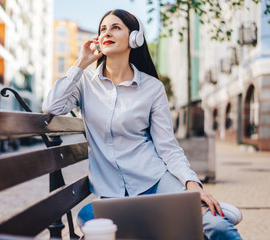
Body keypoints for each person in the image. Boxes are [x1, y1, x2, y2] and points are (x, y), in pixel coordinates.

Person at [43, 9, 242, 240]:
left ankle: (204, 212)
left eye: (116, 27)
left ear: (135, 38)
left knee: (216, 227)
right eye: (103, 29)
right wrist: (81, 62)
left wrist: (191, 183)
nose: (107, 32)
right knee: (93, 221)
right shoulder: (85, 82)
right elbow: (51, 106)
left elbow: (167, 146)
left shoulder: (152, 88)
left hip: (156, 182)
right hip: (111, 193)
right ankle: (175, 214)